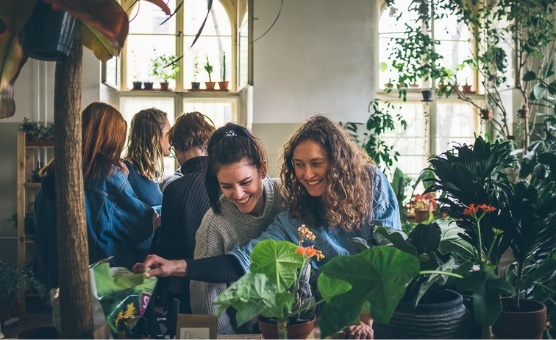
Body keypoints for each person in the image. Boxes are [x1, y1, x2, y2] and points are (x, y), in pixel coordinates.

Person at [134, 115, 401, 339]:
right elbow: (246, 257)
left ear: (338, 161)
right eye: (299, 165)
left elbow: (389, 253)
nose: (307, 174)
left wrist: (366, 318)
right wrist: (175, 266)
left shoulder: (372, 183)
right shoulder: (296, 212)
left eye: (316, 163)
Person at [35, 102, 159, 291]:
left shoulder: (53, 172)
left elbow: (41, 234)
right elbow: (138, 226)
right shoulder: (106, 175)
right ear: (110, 139)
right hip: (102, 285)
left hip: (60, 283)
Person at [190, 123, 285, 334]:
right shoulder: (213, 224)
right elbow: (206, 303)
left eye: (245, 182)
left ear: (263, 168)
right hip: (245, 332)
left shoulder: (288, 197)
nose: (239, 194)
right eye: (227, 186)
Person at [150, 111, 215, 314]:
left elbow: (167, 251)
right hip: (226, 281)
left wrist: (158, 229)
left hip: (187, 288)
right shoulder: (226, 182)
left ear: (178, 147)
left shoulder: (175, 189)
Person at [123, 107, 171, 210]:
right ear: (154, 136)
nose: (172, 138)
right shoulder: (126, 172)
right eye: (168, 134)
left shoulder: (149, 172)